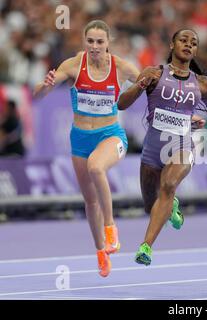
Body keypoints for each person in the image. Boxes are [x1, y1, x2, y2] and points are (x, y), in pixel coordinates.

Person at [34, 20, 140, 277]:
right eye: (90, 41)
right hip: (80, 138)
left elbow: (154, 85)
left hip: (111, 135)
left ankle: (111, 227)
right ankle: (100, 250)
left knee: (96, 167)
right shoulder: (73, 64)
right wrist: (46, 85)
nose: (94, 47)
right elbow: (36, 95)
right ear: (85, 42)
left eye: (100, 42)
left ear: (108, 43)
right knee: (90, 201)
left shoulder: (122, 68)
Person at [118, 29, 207, 266]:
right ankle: (172, 206)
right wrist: (140, 84)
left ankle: (146, 247)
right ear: (172, 45)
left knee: (169, 184)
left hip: (182, 145)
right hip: (152, 150)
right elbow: (121, 104)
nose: (188, 45)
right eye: (183, 40)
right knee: (152, 206)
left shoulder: (201, 83)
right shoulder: (154, 74)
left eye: (194, 43)